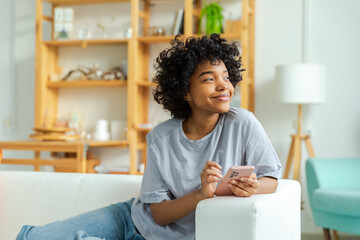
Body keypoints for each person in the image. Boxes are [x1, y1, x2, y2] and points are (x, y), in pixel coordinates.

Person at [17, 34, 281, 240]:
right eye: (208, 79)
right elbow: (157, 213)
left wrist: (254, 186)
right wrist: (200, 194)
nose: (224, 85)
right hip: (130, 219)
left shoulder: (243, 123)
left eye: (226, 77)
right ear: (185, 93)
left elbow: (271, 178)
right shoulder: (161, 136)